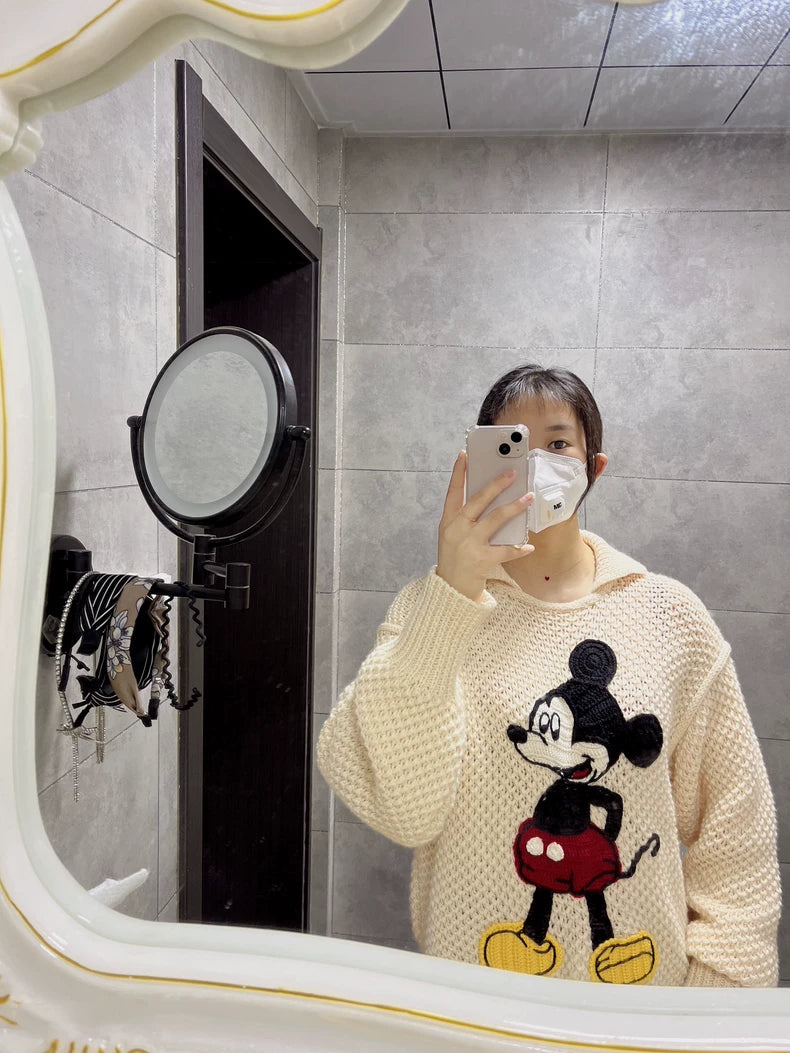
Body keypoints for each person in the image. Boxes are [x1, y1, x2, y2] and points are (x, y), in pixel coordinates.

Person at [316, 364, 780, 987]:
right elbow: (406, 813)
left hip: (641, 1007)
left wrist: (714, 996)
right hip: (469, 996)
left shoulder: (669, 617)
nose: (536, 464)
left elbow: (737, 829)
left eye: (558, 443)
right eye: (513, 445)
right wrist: (452, 592)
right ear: (478, 461)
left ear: (594, 468)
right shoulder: (431, 610)